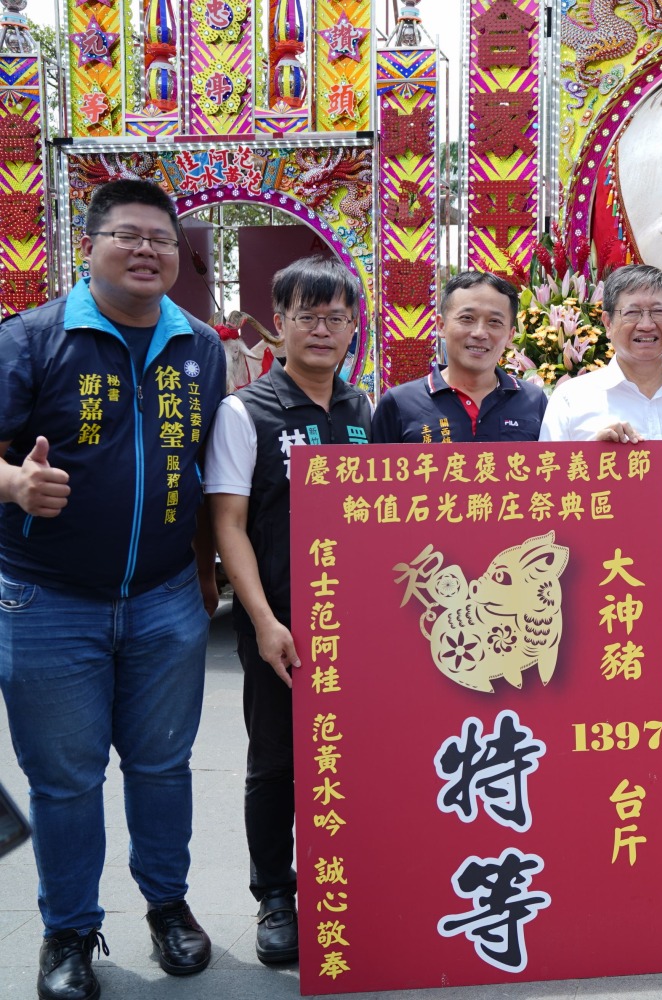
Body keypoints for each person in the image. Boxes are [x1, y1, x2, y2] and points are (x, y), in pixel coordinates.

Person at [0, 178, 225, 1000]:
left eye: (161, 239)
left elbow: (207, 475)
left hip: (166, 598)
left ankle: (169, 907)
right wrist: (14, 487)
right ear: (87, 247)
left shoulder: (201, 347)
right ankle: (67, 934)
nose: (145, 250)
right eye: (126, 236)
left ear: (178, 255)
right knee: (65, 779)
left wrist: (202, 578)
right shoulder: (31, 340)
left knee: (164, 765)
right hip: (46, 599)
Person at [540, 264, 662, 911]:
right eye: (632, 311)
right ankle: (595, 862)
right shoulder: (573, 399)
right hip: (599, 572)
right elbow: (539, 500)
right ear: (606, 321)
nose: (646, 323)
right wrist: (588, 461)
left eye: (658, 311)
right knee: (600, 722)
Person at [205, 256, 372, 967]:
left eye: (336, 317)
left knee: (356, 757)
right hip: (282, 626)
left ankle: (355, 882)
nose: (323, 330)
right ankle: (276, 895)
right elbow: (229, 524)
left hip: (361, 627)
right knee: (277, 762)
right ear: (279, 325)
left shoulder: (364, 410)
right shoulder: (248, 412)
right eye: (307, 315)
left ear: (352, 327)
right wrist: (265, 620)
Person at [372, 271, 546, 444]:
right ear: (441, 326)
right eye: (467, 318)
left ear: (510, 335)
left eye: (494, 322)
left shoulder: (534, 401)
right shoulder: (400, 403)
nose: (479, 333)